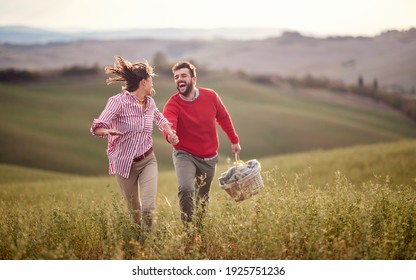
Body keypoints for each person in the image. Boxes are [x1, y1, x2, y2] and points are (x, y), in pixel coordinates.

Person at [90, 56, 179, 242]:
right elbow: (97, 127)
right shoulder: (118, 102)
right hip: (125, 165)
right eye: (151, 79)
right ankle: (139, 241)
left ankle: (148, 243)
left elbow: (160, 118)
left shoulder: (149, 102)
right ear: (143, 82)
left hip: (148, 160)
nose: (152, 83)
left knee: (148, 206)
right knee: (135, 212)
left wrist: (170, 132)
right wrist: (108, 131)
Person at [162, 61, 241, 235]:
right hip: (184, 154)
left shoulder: (211, 96)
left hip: (209, 157)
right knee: (185, 187)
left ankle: (198, 230)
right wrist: (170, 135)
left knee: (202, 197)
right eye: (176, 77)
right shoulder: (173, 104)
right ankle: (188, 230)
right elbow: (168, 124)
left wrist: (234, 140)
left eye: (183, 75)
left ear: (193, 79)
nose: (179, 79)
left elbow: (224, 117)